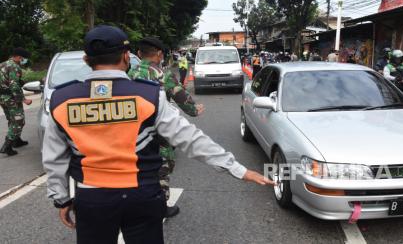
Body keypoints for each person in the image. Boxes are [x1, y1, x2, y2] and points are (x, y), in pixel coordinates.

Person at [42, 25, 274, 244]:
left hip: (92, 200)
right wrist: (239, 170)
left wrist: (61, 198)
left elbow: (53, 158)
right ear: (126, 56)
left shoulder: (61, 100)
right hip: (142, 195)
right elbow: (190, 139)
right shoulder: (148, 95)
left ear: (86, 60)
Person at [128, 36, 204, 218]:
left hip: (132, 132)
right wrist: (195, 109)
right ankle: (160, 206)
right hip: (159, 130)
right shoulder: (164, 75)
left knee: (136, 165)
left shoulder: (128, 75)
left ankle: (135, 200)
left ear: (139, 54)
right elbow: (181, 98)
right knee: (162, 167)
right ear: (160, 54)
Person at [0, 48, 32, 156]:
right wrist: (24, 99)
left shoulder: (3, 64)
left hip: (2, 98)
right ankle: (7, 145)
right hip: (11, 98)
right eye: (24, 59)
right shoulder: (15, 67)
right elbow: (14, 86)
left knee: (11, 119)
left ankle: (16, 141)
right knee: (18, 121)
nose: (25, 61)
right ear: (19, 57)